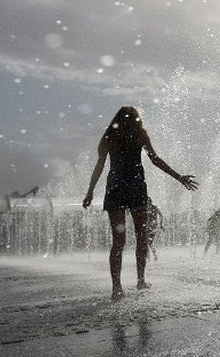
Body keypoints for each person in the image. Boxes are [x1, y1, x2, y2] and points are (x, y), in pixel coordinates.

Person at [83, 106, 198, 300]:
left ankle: (117, 287)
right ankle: (140, 280)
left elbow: (100, 165)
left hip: (116, 187)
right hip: (136, 186)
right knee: (141, 236)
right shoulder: (139, 133)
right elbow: (155, 159)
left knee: (118, 241)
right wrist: (179, 177)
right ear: (136, 119)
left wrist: (90, 192)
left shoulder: (110, 135)